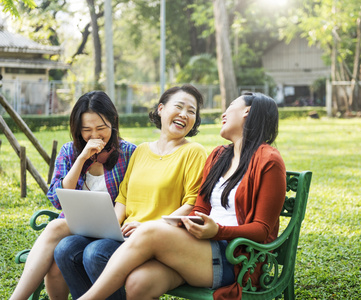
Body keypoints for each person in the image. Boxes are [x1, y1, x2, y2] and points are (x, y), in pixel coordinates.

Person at [74, 92, 287, 300]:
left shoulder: (269, 160)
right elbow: (200, 209)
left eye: (230, 107)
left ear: (247, 112)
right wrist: (184, 224)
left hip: (236, 258)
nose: (224, 114)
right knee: (139, 283)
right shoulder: (219, 155)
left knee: (149, 231)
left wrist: (218, 231)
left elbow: (263, 229)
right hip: (199, 248)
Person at [54, 84, 207, 299]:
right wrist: (109, 230)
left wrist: (148, 227)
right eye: (179, 107)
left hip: (156, 239)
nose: (184, 114)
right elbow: (123, 198)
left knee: (95, 253)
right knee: (65, 249)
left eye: (191, 111)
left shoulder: (194, 152)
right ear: (161, 109)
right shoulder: (142, 150)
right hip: (124, 235)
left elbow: (191, 204)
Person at [10, 91, 137, 300]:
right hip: (76, 228)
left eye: (101, 128)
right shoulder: (70, 151)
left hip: (113, 228)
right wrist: (81, 159)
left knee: (55, 226)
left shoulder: (128, 153)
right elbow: (57, 199)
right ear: (78, 129)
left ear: (113, 122)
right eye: (87, 130)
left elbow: (134, 198)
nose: (94, 135)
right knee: (55, 264)